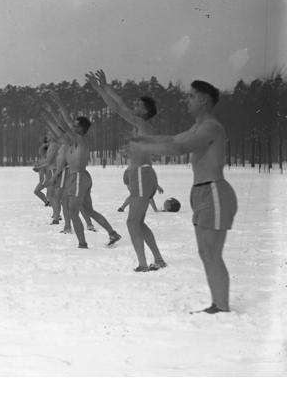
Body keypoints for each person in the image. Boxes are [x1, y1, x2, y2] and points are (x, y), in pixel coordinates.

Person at [131, 80, 237, 314]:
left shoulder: (210, 127)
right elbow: (172, 139)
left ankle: (221, 307)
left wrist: (144, 148)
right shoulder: (198, 126)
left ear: (204, 100)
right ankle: (217, 304)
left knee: (211, 253)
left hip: (214, 192)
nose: (186, 100)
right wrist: (143, 141)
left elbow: (180, 148)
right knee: (205, 252)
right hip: (201, 192)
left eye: (191, 96)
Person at [87, 70, 166, 272]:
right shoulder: (140, 126)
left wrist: (101, 88)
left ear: (147, 111)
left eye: (139, 105)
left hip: (142, 175)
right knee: (138, 222)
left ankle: (143, 264)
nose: (135, 106)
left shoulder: (141, 123)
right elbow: (120, 104)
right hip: (141, 174)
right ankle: (158, 259)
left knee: (132, 222)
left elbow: (117, 106)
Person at [43, 93, 121, 249]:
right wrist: (50, 117)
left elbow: (65, 122)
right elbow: (59, 130)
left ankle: (82, 244)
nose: (72, 127)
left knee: (73, 211)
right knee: (89, 211)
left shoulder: (80, 140)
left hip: (78, 177)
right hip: (79, 177)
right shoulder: (72, 142)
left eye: (76, 125)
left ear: (81, 128)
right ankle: (112, 233)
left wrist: (59, 103)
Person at [32, 136, 52, 207]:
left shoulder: (49, 159)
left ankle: (54, 211)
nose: (40, 151)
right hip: (43, 181)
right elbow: (40, 170)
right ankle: (47, 202)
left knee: (49, 195)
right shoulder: (41, 160)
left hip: (49, 181)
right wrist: (37, 168)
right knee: (36, 191)